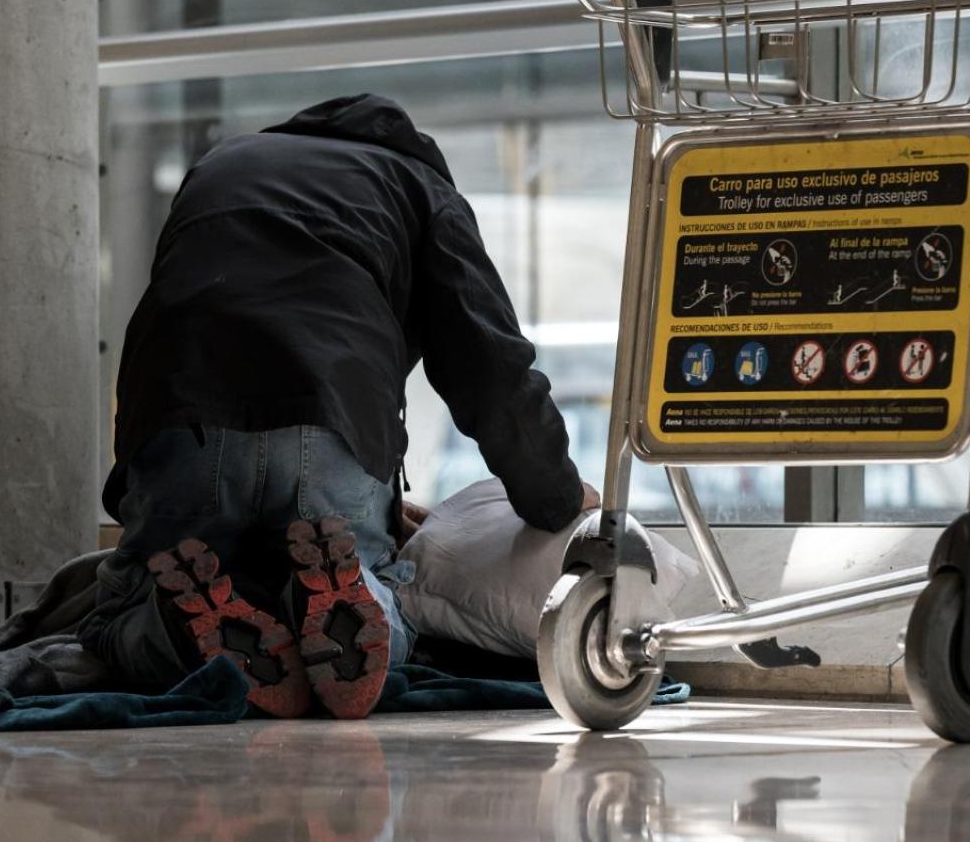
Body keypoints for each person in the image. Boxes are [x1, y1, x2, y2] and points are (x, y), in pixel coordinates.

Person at [79, 93, 592, 719]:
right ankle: (360, 598)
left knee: (121, 605)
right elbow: (489, 362)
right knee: (376, 579)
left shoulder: (220, 165)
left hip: (182, 419)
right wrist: (557, 498)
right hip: (334, 425)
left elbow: (177, 305)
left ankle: (175, 625)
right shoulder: (420, 188)